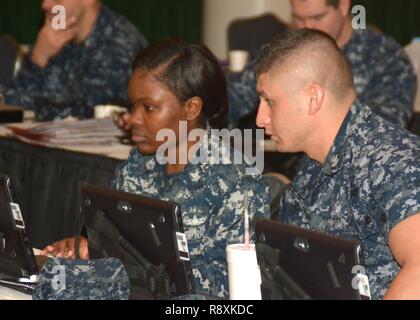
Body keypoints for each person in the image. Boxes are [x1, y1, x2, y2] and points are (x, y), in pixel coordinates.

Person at [42, 39, 270, 299]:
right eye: (133, 105)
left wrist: (130, 272)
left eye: (149, 107)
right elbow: (109, 243)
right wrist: (84, 248)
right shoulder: (138, 165)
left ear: (191, 108)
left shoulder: (236, 181)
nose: (134, 118)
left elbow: (233, 283)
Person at [255, 28, 420, 300]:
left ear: (313, 98)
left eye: (270, 102)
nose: (260, 118)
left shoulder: (391, 159)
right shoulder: (314, 163)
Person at [228, 0, 417, 129]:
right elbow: (234, 96)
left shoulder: (385, 57)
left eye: (317, 18)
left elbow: (382, 131)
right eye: (299, 18)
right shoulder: (283, 50)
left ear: (343, 6)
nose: (307, 27)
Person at [0, 0, 147, 121]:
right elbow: (11, 104)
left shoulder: (118, 46)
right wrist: (38, 59)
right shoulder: (56, 35)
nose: (45, 5)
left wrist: (38, 62)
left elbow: (67, 112)